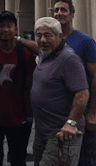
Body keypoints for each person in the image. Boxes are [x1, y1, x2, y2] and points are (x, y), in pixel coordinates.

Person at [31, 17, 89, 166]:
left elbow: (82, 93)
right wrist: (17, 40)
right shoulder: (45, 54)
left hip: (62, 134)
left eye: (48, 35)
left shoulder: (69, 58)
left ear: (60, 37)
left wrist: (71, 123)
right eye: (39, 35)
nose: (43, 40)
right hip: (43, 132)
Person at [0, 11, 36, 166]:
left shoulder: (25, 53)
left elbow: (32, 83)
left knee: (18, 159)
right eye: (1, 26)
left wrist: (30, 114)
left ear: (15, 29)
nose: (5, 29)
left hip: (19, 118)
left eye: (9, 26)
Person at [53, 0, 96, 165]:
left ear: (72, 15)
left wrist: (93, 113)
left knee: (84, 158)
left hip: (83, 115)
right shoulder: (52, 41)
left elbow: (95, 76)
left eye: (63, 10)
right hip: (58, 116)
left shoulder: (85, 41)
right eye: (56, 10)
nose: (59, 13)